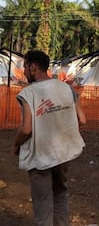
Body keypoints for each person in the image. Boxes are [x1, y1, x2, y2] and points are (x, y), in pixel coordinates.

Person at [13, 50, 86, 226]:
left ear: (33, 67)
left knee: (43, 202)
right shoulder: (67, 88)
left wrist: (16, 146)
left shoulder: (28, 93)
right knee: (60, 194)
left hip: (41, 156)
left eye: (25, 67)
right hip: (64, 153)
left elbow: (26, 129)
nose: (23, 72)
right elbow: (82, 119)